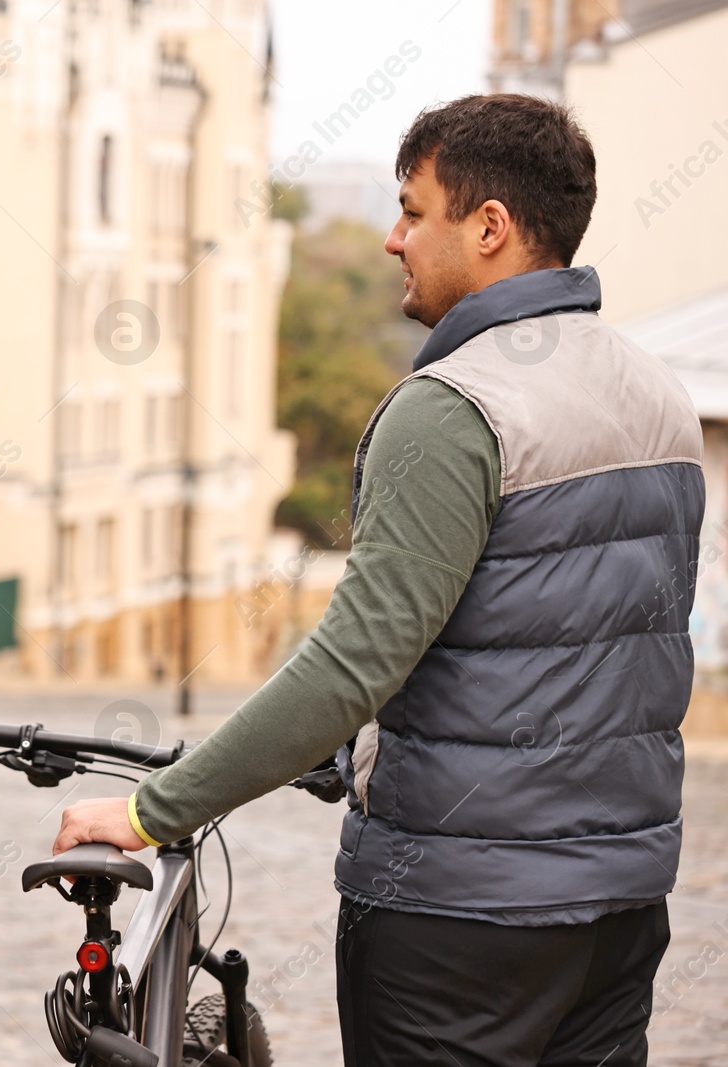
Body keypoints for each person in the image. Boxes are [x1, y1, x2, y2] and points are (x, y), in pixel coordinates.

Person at [55, 94, 703, 1066]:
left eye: (413, 210)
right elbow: (575, 639)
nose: (393, 238)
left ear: (489, 227)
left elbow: (352, 661)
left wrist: (155, 807)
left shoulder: (453, 406)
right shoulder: (658, 394)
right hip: (617, 905)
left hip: (456, 917)